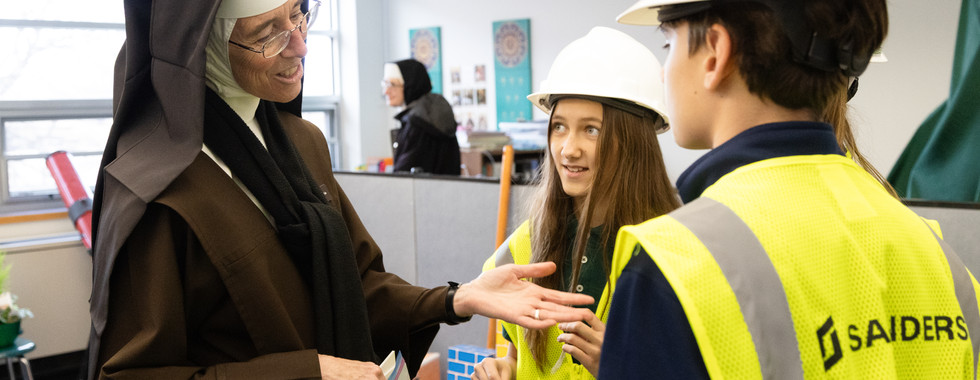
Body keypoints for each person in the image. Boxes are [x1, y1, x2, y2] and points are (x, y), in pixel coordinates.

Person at [87, 0, 594, 379]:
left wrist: (457, 300)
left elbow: (360, 284)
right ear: (199, 48)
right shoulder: (158, 190)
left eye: (299, 16)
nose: (300, 46)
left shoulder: (300, 142)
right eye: (268, 33)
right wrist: (311, 372)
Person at [600, 0, 980, 378]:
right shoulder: (938, 256)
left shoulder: (675, 260)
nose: (665, 75)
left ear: (715, 52)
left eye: (669, 45)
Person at [474, 27, 681, 380]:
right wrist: (502, 368)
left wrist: (621, 368)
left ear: (634, 143)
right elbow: (516, 354)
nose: (568, 149)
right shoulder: (527, 245)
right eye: (559, 127)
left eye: (592, 130)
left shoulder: (674, 254)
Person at [383, 59, 461, 175]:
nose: (386, 91)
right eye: (385, 84)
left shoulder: (418, 123)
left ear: (410, 85)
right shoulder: (429, 114)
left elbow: (405, 176)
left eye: (392, 85)